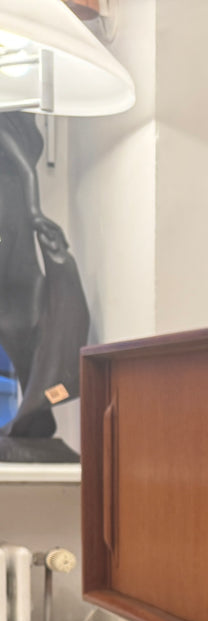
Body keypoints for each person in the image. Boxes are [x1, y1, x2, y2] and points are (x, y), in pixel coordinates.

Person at [0, 111, 88, 461]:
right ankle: (35, 410)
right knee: (19, 324)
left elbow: (24, 166)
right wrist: (35, 212)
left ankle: (38, 407)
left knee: (25, 322)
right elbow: (24, 167)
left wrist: (35, 214)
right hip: (11, 233)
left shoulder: (11, 120)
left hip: (14, 232)